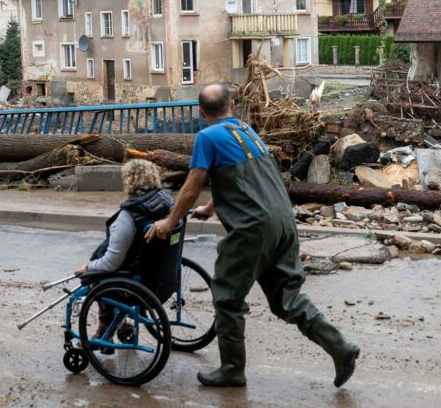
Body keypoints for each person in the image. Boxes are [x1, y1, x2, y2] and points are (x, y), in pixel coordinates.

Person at [146, 84, 359, 388]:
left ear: (200, 112)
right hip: (283, 221)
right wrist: (211, 207)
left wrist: (169, 222)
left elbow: (191, 187)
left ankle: (232, 369)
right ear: (232, 106)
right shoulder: (246, 131)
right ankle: (341, 347)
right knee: (287, 298)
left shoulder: (207, 137)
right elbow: (243, 178)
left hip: (252, 228)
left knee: (227, 297)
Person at [74, 159, 174, 340]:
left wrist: (89, 267)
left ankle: (106, 329)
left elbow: (112, 262)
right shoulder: (169, 205)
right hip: (164, 278)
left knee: (94, 280)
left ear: (129, 181)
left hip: (137, 283)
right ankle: (120, 320)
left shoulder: (129, 215)